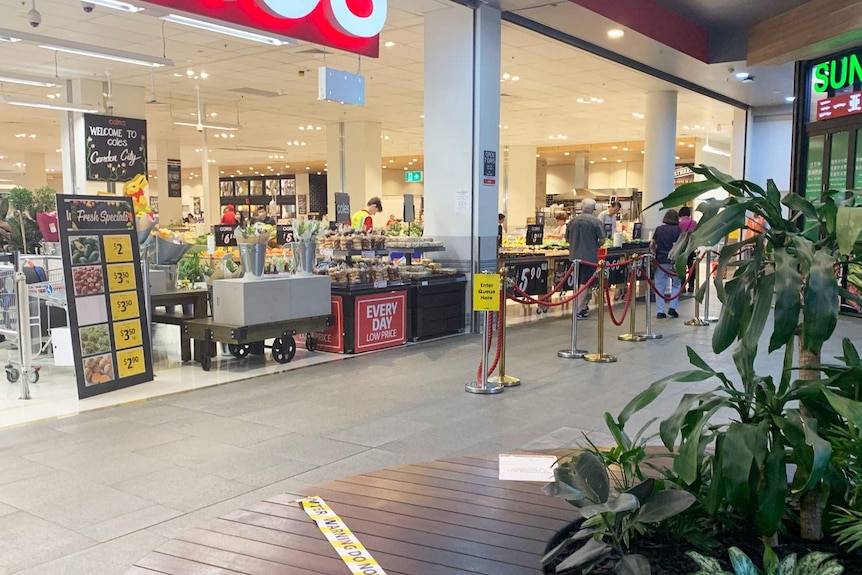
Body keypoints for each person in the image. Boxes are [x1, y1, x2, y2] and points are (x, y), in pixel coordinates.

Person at [566, 198, 605, 319]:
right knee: (585, 283)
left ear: (581, 207)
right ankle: (577, 310)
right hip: (589, 257)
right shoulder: (596, 221)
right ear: (593, 209)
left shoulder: (572, 221)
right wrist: (595, 245)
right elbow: (602, 240)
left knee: (577, 282)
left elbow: (567, 239)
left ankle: (582, 307)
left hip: (574, 256)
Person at [652, 209, 682, 318]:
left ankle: (660, 311)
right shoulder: (678, 230)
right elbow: (681, 245)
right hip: (674, 260)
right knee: (676, 284)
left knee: (660, 286)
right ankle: (672, 307)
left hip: (660, 260)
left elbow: (652, 244)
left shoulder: (658, 229)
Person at [678, 206, 697, 293]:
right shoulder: (694, 223)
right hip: (691, 247)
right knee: (691, 267)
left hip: (681, 248)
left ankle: (682, 286)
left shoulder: (679, 223)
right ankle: (691, 286)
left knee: (682, 267)